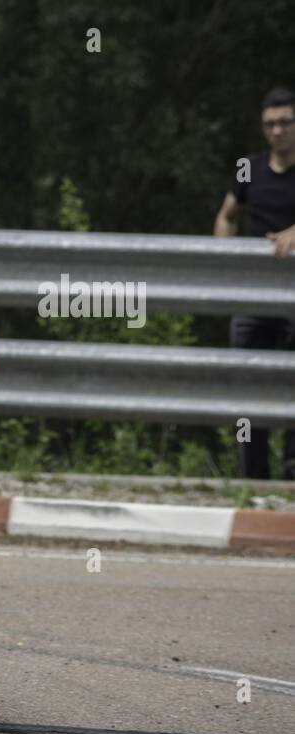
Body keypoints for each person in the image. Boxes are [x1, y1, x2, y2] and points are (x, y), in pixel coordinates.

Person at [214, 86, 295, 480]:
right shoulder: (250, 167)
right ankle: (253, 482)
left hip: (294, 296)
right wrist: (227, 259)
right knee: (250, 391)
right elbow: (226, 215)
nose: (277, 131)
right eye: (270, 124)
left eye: (285, 122)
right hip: (254, 295)